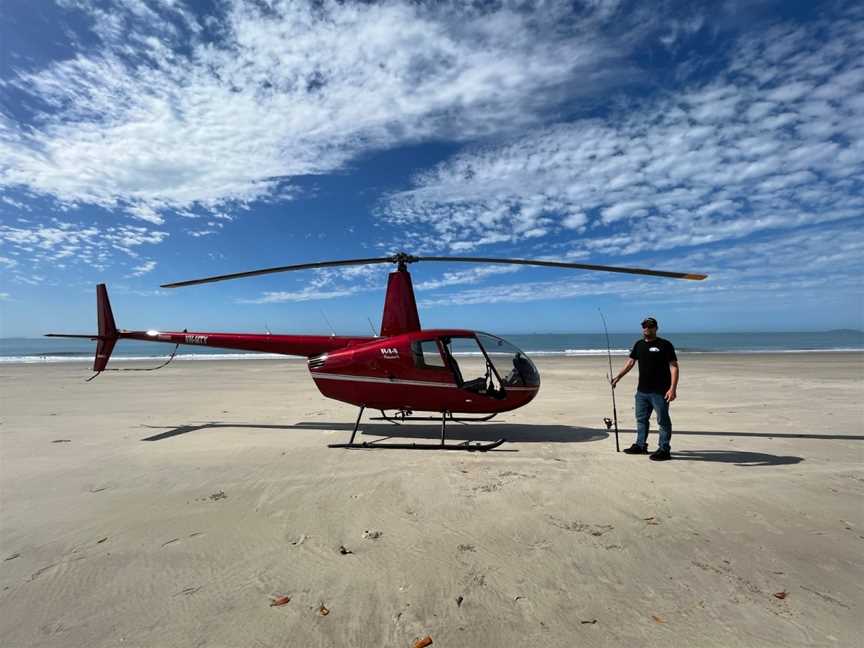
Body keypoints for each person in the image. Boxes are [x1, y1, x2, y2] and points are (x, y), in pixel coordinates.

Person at [610, 317, 678, 461]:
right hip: (642, 391)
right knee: (641, 419)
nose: (647, 328)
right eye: (645, 326)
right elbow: (630, 362)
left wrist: (672, 389)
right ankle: (641, 445)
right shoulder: (639, 344)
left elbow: (674, 367)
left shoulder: (665, 344)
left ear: (656, 328)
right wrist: (618, 377)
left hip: (660, 392)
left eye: (650, 326)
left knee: (663, 421)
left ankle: (664, 449)